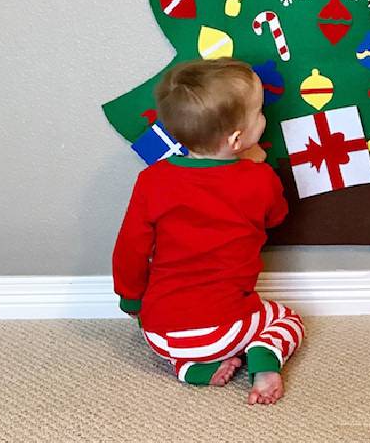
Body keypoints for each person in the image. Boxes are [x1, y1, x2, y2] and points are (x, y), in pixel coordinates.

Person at [112, 58, 303, 405]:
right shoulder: (259, 180)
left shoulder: (152, 181)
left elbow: (130, 247)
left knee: (175, 342)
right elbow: (277, 217)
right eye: (260, 112)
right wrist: (256, 165)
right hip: (225, 327)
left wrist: (131, 298)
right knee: (286, 319)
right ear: (236, 139)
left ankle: (189, 368)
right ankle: (263, 359)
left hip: (158, 330)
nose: (265, 118)